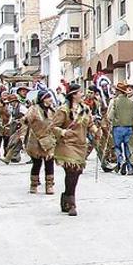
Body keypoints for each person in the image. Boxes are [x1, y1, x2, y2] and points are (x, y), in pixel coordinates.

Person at [51, 84, 97, 216]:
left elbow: (90, 124)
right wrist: (63, 132)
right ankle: (72, 203)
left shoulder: (86, 109)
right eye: (80, 92)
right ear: (73, 95)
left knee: (76, 173)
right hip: (67, 145)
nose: (83, 94)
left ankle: (66, 196)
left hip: (80, 145)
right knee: (72, 170)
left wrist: (96, 132)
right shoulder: (63, 110)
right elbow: (53, 127)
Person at [25, 90, 57, 194]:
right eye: (48, 97)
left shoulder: (52, 110)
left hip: (48, 140)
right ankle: (33, 185)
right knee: (37, 163)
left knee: (49, 163)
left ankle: (49, 186)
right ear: (43, 99)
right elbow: (26, 120)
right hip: (36, 141)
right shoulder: (34, 109)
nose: (51, 99)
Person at [108, 82, 133, 176]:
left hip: (117, 127)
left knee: (117, 147)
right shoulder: (132, 102)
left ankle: (121, 161)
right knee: (128, 147)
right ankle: (130, 168)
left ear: (118, 91)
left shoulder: (114, 101)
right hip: (129, 127)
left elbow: (110, 116)